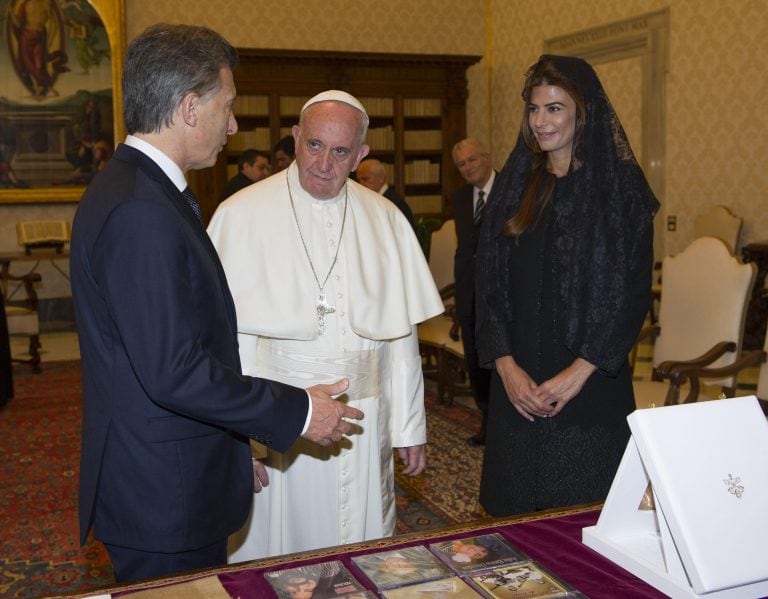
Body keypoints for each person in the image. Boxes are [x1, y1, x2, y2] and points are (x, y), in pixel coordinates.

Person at [69, 25, 362, 583]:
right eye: (226, 107)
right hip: (163, 495)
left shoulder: (138, 189)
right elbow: (173, 373)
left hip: (170, 474)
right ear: (188, 107)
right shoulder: (141, 211)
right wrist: (299, 410)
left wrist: (229, 452)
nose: (233, 124)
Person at [208, 89, 443, 560]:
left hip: (363, 414)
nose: (323, 164)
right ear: (295, 138)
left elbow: (400, 341)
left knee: (362, 547)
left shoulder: (386, 219)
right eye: (314, 145)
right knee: (277, 552)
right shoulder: (241, 213)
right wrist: (246, 441)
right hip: (278, 417)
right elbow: (231, 341)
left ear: (361, 155)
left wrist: (409, 426)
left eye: (340, 152)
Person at [475, 55, 658, 516]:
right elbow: (488, 284)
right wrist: (506, 368)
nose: (541, 121)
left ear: (583, 111)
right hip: (516, 385)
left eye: (554, 108)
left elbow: (631, 296)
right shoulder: (515, 185)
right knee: (513, 533)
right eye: (534, 109)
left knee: (584, 526)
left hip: (589, 387)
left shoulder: (620, 191)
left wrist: (577, 375)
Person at [450, 138, 496, 447]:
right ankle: (486, 422)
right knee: (476, 363)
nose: (468, 167)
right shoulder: (460, 198)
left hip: (499, 298)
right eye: (462, 164)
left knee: (500, 363)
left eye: (472, 160)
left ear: (486, 157)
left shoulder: (512, 190)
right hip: (469, 295)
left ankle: (502, 425)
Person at [355, 158, 415, 229]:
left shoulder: (395, 203)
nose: (361, 183)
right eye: (359, 180)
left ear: (381, 178)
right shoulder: (369, 200)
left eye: (365, 179)